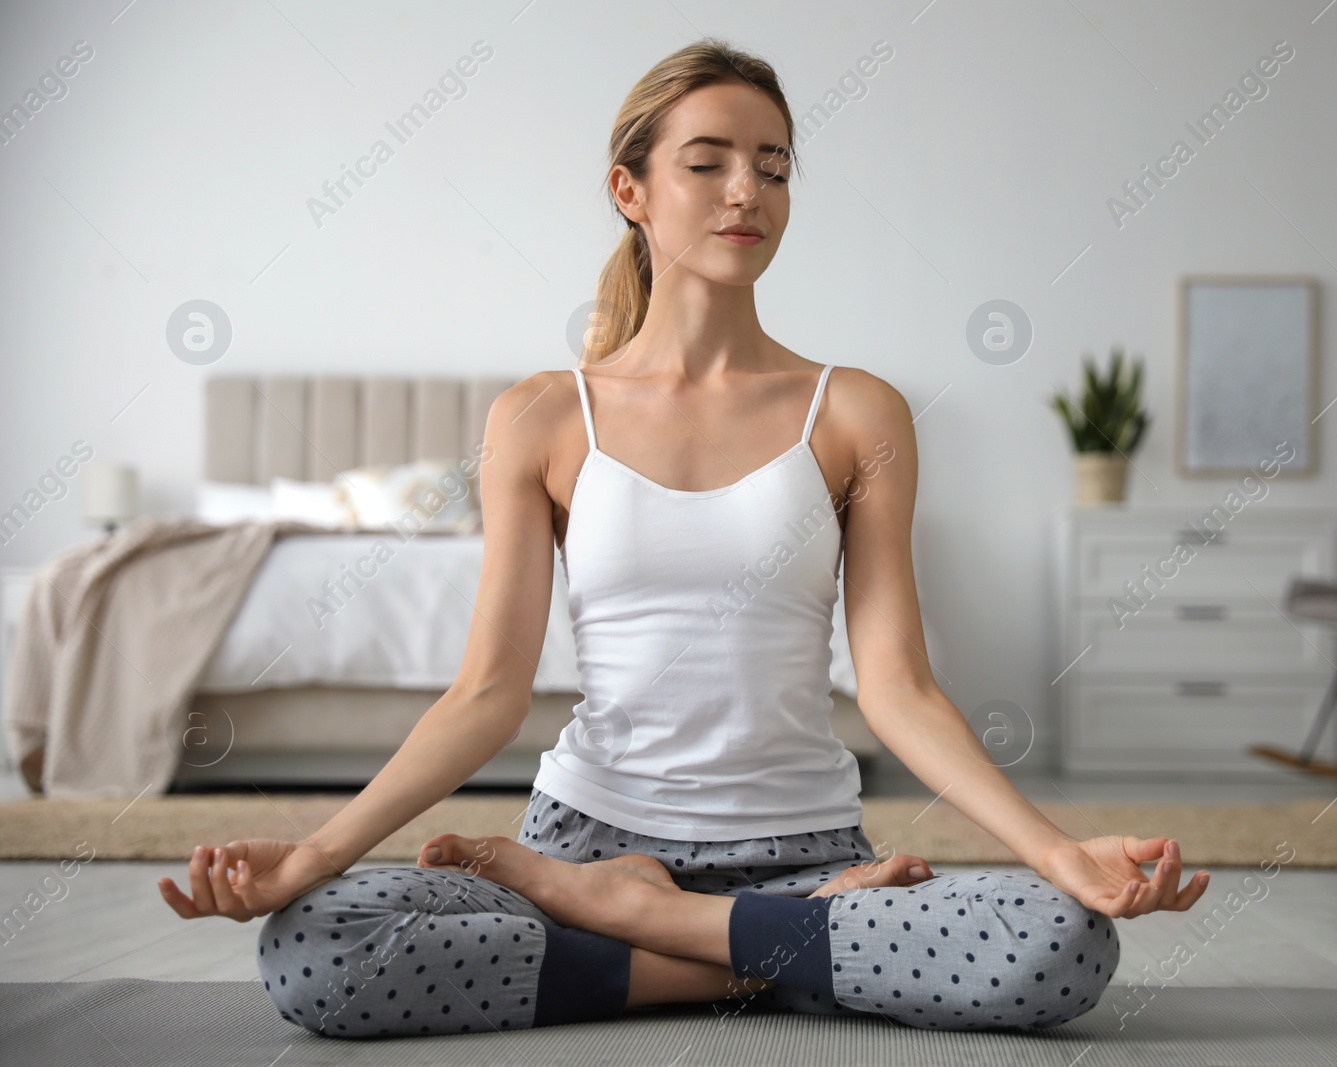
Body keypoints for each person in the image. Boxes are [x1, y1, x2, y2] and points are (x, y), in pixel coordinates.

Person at [157, 37, 1208, 1037]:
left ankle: (642, 925)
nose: (747, 191)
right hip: (589, 834)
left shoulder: (857, 413)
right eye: (707, 164)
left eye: (774, 166)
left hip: (803, 855)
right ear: (632, 191)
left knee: (1061, 942)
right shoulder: (542, 416)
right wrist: (313, 854)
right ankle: (776, 959)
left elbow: (897, 689)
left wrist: (1058, 851)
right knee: (318, 949)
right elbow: (487, 693)